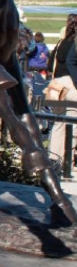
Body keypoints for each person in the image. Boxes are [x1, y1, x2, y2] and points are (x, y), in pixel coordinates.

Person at [46, 14, 77, 171]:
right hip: (69, 86)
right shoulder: (74, 43)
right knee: (72, 125)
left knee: (59, 124)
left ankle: (54, 159)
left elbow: (51, 63)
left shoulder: (62, 41)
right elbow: (72, 63)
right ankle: (67, 164)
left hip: (56, 86)